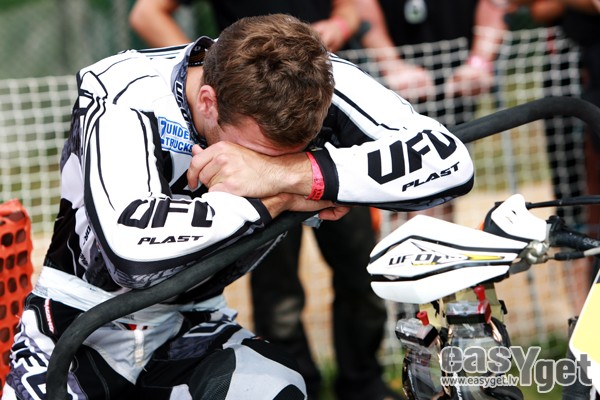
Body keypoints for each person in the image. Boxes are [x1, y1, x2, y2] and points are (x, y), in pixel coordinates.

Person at [4, 14, 474, 400]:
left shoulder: (316, 74)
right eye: (255, 153)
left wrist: (295, 174)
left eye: (285, 156)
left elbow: (449, 161)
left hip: (194, 324)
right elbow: (132, 256)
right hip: (76, 323)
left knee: (278, 388)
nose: (263, 169)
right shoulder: (126, 87)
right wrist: (285, 198)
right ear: (208, 102)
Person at [130, 2, 396, 399]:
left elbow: (352, 9)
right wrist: (215, 74)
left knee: (360, 265)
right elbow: (146, 13)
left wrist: (339, 27)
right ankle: (295, 381)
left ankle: (363, 381)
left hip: (322, 130)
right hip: (251, 136)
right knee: (277, 286)